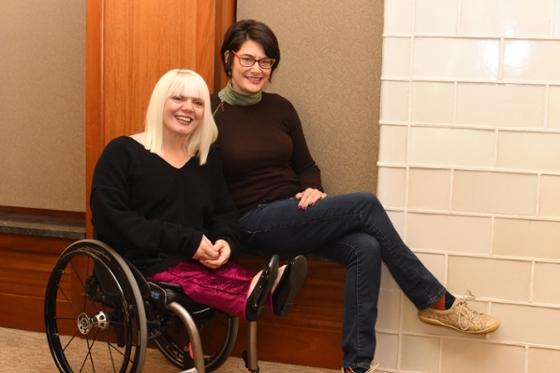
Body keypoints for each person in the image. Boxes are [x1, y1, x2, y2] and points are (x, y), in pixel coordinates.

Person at [211, 20, 501, 373]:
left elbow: (306, 165)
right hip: (251, 222)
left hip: (294, 212)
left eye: (266, 62)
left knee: (366, 246)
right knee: (365, 203)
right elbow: (199, 183)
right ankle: (435, 300)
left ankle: (356, 366)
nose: (257, 70)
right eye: (248, 60)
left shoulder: (281, 108)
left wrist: (313, 187)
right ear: (229, 58)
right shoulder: (210, 114)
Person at [90, 68, 308, 322]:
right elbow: (111, 219)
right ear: (160, 102)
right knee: (206, 281)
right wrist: (188, 241)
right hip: (138, 262)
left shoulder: (206, 159)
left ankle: (267, 288)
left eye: (197, 102)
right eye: (178, 99)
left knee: (219, 275)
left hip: (192, 259)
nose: (188, 108)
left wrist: (225, 240)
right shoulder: (122, 152)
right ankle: (262, 292)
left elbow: (224, 212)